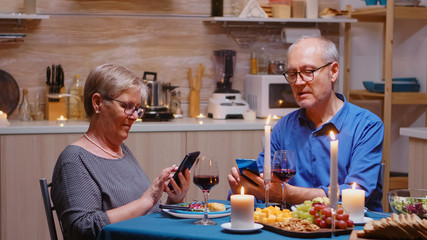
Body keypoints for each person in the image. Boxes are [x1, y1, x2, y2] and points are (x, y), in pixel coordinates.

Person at [227, 36, 384, 211]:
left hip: (351, 229)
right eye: (293, 74)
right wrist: (244, 190)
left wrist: (287, 194)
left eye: (308, 71)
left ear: (333, 71)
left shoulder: (367, 126)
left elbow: (357, 193)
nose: (299, 82)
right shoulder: (283, 128)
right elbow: (265, 189)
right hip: (295, 230)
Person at [51, 64, 191, 240]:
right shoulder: (73, 160)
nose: (134, 116)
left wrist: (173, 200)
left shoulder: (122, 152)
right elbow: (81, 230)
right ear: (97, 102)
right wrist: (145, 200)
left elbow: (145, 215)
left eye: (137, 108)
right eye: (127, 106)